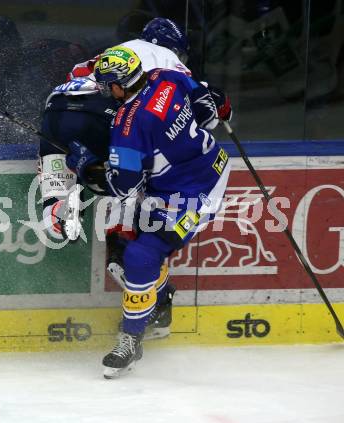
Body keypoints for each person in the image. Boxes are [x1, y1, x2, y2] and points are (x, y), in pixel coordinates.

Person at [69, 46, 231, 378]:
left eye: (105, 85)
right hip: (196, 169)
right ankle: (158, 301)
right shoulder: (166, 77)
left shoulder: (129, 128)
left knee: (140, 256)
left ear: (118, 86)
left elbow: (122, 186)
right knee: (130, 244)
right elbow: (206, 108)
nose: (103, 91)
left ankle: (131, 340)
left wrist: (83, 163)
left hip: (193, 191)